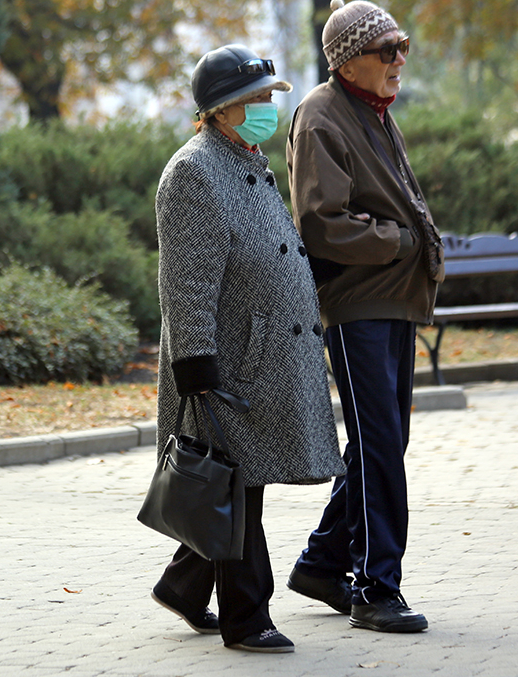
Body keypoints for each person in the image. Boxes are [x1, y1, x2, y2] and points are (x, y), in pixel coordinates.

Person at [150, 44, 345, 653]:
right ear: (223, 109)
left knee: (235, 484)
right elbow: (186, 281)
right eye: (258, 100)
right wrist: (197, 366)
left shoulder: (246, 158)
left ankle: (184, 586)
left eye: (269, 98)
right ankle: (246, 617)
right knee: (238, 487)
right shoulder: (193, 172)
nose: (269, 109)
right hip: (226, 362)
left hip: (260, 356)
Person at [284, 0, 444, 634]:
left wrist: (414, 250)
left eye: (402, 45)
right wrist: (402, 244)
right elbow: (321, 225)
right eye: (387, 50)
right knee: (380, 447)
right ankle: (377, 590)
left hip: (394, 300)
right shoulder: (321, 116)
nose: (399, 59)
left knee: (387, 442)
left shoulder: (373, 110)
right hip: (358, 306)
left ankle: (323, 562)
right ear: (350, 62)